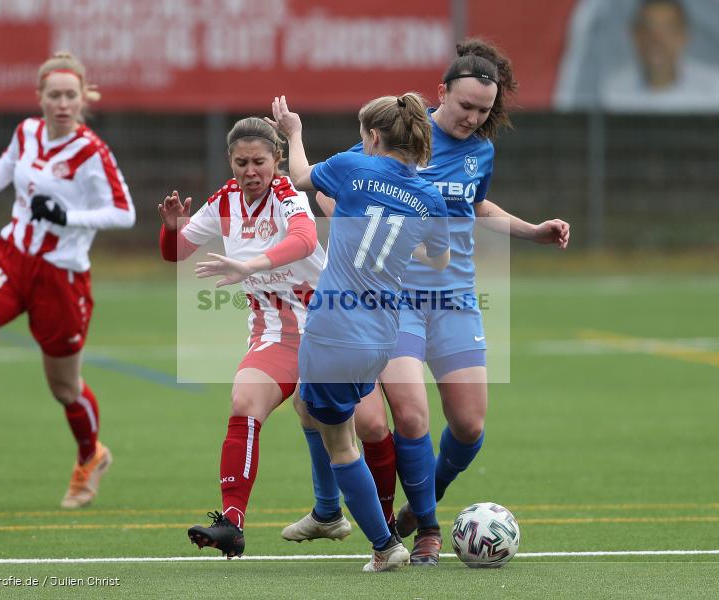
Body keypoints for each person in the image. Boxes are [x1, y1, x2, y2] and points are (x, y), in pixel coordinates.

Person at [282, 38, 570, 566]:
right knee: (409, 415)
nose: (474, 119)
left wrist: (533, 231)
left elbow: (477, 204)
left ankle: (421, 505)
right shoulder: (399, 135)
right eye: (466, 107)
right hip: (396, 303)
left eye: (484, 111)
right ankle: (427, 530)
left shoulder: (481, 150)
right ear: (442, 93)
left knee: (469, 426)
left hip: (456, 299)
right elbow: (337, 190)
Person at [0, 52, 136, 508]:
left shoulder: (92, 152)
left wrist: (67, 216)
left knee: (64, 388)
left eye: (70, 95)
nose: (62, 103)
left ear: (82, 99)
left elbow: (125, 212)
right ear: (39, 98)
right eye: (54, 95)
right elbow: (7, 162)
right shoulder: (27, 131)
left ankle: (90, 457)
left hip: (61, 278)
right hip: (12, 260)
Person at [270, 92, 451, 572]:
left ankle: (383, 544)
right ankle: (326, 511)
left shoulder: (354, 169)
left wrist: (293, 132)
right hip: (382, 331)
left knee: (342, 442)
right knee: (307, 405)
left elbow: (300, 177)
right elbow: (439, 258)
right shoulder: (429, 197)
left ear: (372, 137)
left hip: (334, 326)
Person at [159, 117, 329, 558]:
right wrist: (172, 227)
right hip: (275, 333)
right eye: (241, 162)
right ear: (230, 163)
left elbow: (306, 240)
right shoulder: (224, 200)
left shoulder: (288, 196)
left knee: (359, 425)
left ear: (277, 160)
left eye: (259, 161)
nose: (250, 171)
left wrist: (251, 266)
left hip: (330, 324)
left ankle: (392, 521)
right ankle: (232, 523)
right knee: (243, 402)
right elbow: (175, 252)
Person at [600, 0, 719, 112]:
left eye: (667, 30)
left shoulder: (717, 88)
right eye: (648, 28)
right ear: (634, 35)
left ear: (684, 36)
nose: (656, 40)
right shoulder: (613, 89)